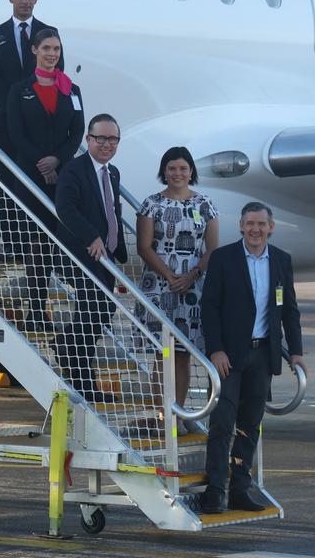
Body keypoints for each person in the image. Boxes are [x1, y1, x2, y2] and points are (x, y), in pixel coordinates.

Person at [199, 202, 304, 514]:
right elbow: (209, 306)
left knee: (250, 426)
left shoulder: (282, 261)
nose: (255, 229)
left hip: (263, 355)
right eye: (250, 224)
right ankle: (215, 490)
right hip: (228, 357)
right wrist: (215, 350)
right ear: (241, 227)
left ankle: (239, 489)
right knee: (222, 424)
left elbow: (289, 310)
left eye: (261, 224)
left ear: (271, 227)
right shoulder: (223, 258)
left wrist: (295, 351)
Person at [5, 29, 84, 329]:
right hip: (30, 175)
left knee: (59, 240)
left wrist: (58, 160)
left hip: (63, 175)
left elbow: (77, 132)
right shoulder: (20, 90)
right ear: (35, 50)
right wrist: (43, 163)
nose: (53, 54)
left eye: (57, 49)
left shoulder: (71, 90)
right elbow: (16, 133)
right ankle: (37, 309)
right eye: (47, 48)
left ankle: (74, 309)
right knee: (36, 241)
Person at [136, 147, 219, 418]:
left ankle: (179, 414)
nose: (177, 173)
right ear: (164, 171)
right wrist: (170, 276)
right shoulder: (151, 204)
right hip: (160, 287)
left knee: (183, 354)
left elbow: (212, 249)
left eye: (183, 168)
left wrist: (191, 275)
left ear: (191, 171)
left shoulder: (205, 205)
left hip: (192, 288)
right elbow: (144, 247)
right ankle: (162, 415)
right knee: (163, 354)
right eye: (172, 168)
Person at [0, 0, 62, 255]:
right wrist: (16, 110)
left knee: (41, 178)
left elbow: (56, 76)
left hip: (41, 126)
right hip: (6, 123)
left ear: (36, 0)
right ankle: (14, 243)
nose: (26, 1)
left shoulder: (49, 34)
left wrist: (35, 111)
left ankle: (42, 243)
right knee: (7, 182)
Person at [54, 114, 128, 401]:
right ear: (88, 140)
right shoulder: (74, 170)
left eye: (113, 139)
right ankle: (84, 382)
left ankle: (65, 347)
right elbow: (66, 209)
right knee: (90, 315)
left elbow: (112, 209)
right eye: (101, 138)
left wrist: (117, 245)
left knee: (100, 314)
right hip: (80, 254)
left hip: (105, 257)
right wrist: (92, 237)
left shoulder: (113, 173)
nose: (107, 144)